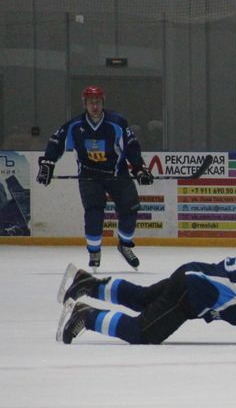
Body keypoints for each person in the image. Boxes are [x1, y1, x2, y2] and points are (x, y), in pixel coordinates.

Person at [55, 235, 236, 346]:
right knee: (142, 333)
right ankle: (86, 315)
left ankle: (86, 282)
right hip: (193, 293)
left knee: (141, 298)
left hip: (193, 276)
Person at [36, 85, 154, 271]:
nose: (95, 106)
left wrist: (139, 168)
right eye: (91, 102)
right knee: (94, 212)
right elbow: (56, 142)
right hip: (89, 176)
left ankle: (124, 245)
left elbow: (131, 146)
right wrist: (47, 164)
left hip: (117, 174)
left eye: (98, 102)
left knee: (130, 209)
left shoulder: (117, 122)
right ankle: (94, 251)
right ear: (85, 104)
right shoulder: (75, 125)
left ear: (102, 103)